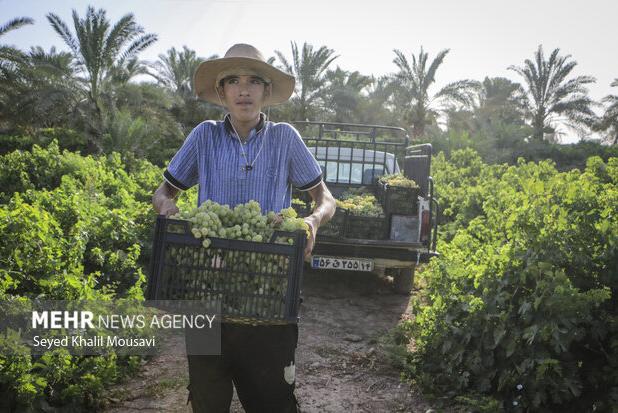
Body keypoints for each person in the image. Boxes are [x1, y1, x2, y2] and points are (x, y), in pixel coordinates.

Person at [152, 43, 336, 413]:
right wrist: (167, 206)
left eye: (254, 81)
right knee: (206, 399)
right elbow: (163, 191)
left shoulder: (285, 138)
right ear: (221, 93)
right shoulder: (204, 136)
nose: (243, 89)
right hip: (207, 290)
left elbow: (326, 199)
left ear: (267, 92)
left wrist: (313, 221)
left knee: (271, 401)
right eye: (233, 81)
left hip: (267, 294)